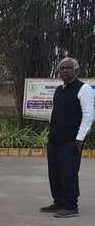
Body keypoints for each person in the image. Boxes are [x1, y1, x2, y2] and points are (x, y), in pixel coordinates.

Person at [40, 57, 95, 217]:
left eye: (68, 68)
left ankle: (71, 206)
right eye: (61, 68)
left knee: (68, 173)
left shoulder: (84, 89)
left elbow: (89, 115)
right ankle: (59, 202)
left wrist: (80, 138)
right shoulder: (58, 90)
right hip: (55, 139)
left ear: (76, 71)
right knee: (54, 173)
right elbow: (55, 114)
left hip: (71, 141)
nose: (64, 70)